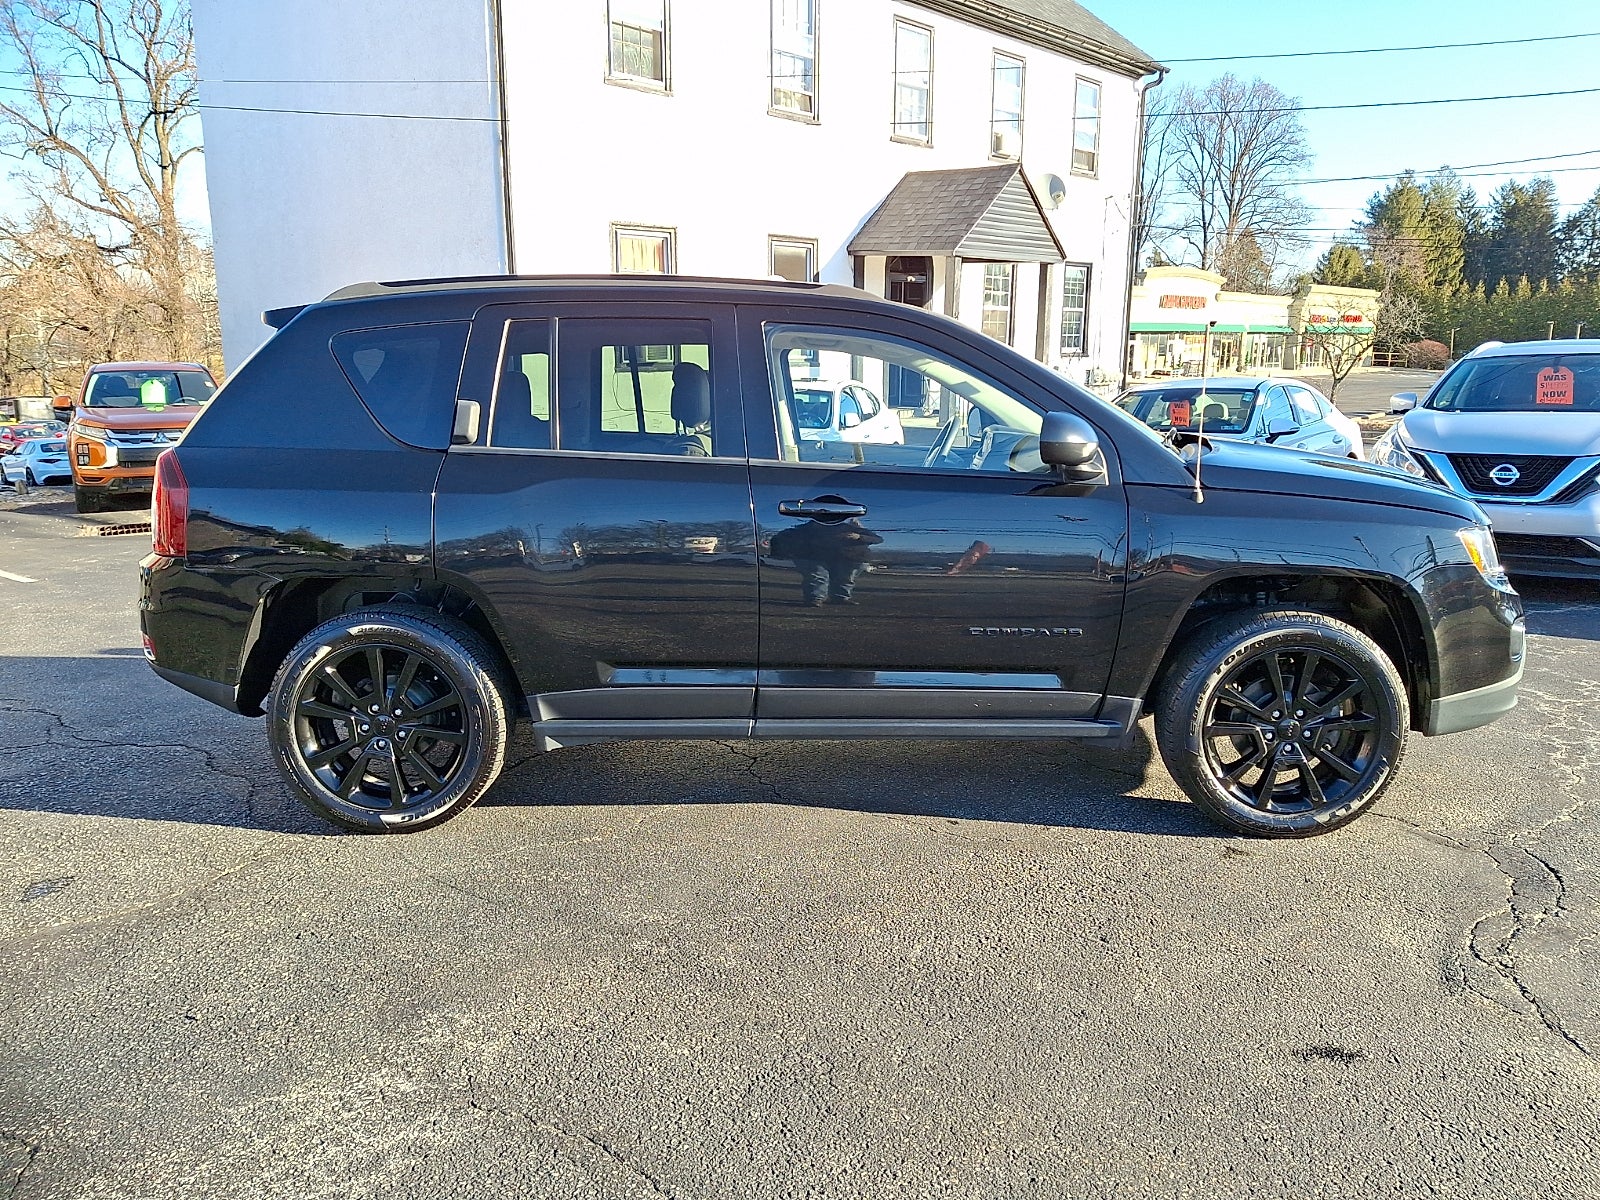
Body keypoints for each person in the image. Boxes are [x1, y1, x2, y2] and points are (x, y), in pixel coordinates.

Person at [767, 517, 883, 606]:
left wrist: (859, 536)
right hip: (817, 556)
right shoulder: (809, 528)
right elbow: (783, 536)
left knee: (844, 578)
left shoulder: (850, 528)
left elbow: (878, 539)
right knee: (818, 576)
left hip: (850, 557)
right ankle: (815, 598)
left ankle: (840, 597)